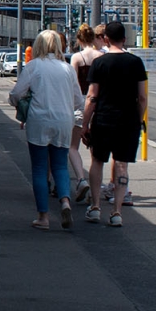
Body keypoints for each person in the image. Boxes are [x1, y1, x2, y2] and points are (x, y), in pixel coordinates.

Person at [9, 29, 83, 230]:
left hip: (39, 120)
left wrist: (17, 103)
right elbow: (79, 101)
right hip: (64, 122)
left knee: (40, 169)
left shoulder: (34, 67)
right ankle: (65, 201)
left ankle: (43, 217)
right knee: (60, 165)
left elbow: (16, 93)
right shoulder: (67, 69)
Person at [82, 21, 147, 227]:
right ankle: (117, 211)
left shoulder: (99, 63)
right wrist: (138, 118)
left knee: (97, 161)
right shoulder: (136, 62)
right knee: (121, 165)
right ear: (125, 39)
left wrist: (84, 123)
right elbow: (142, 97)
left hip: (103, 119)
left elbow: (92, 96)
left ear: (106, 39)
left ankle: (94, 207)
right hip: (128, 121)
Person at [67, 25, 104, 200]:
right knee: (95, 152)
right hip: (98, 104)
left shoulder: (76, 57)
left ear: (80, 40)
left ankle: (81, 180)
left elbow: (73, 85)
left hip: (80, 103)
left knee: (73, 147)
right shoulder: (102, 57)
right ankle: (95, 188)